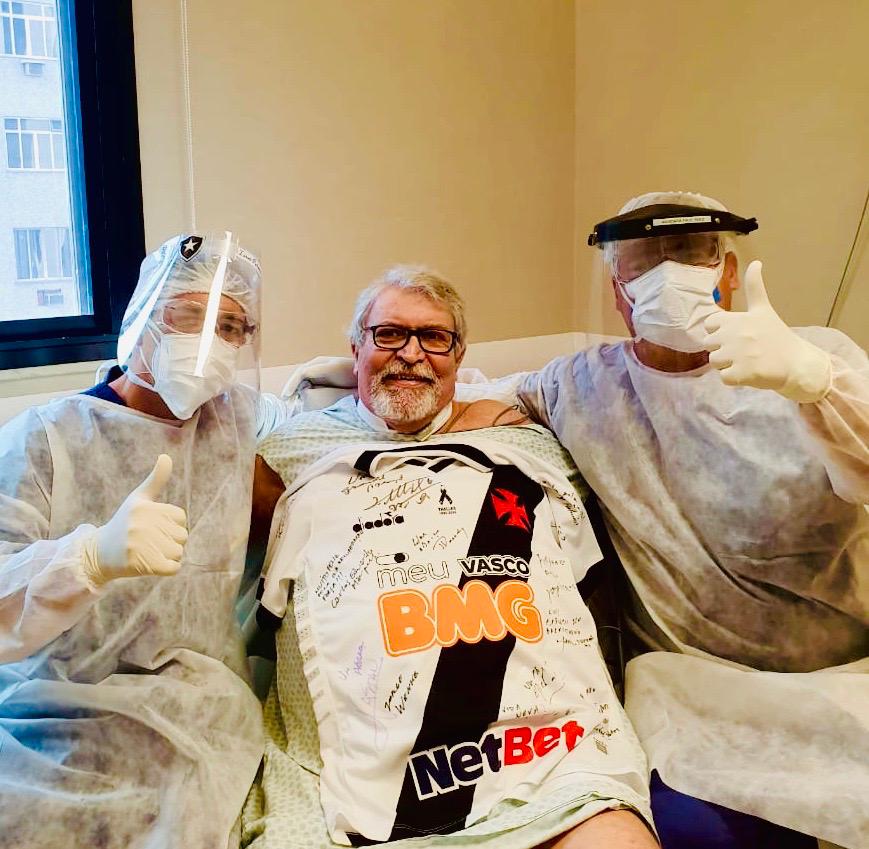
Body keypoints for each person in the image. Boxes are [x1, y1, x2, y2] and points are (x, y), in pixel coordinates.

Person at [242, 266, 658, 849]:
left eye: (434, 338)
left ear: (459, 357)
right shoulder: (291, 447)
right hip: (350, 752)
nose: (411, 354)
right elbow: (220, 536)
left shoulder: (523, 440)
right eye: (389, 334)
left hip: (547, 746)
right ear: (356, 348)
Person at [518, 192, 869, 849]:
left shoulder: (814, 358)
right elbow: (478, 396)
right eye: (642, 261)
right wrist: (349, 379)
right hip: (690, 689)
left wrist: (817, 383)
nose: (667, 274)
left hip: (840, 679)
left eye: (686, 252)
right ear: (618, 293)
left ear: (727, 272)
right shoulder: (580, 387)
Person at [0, 232, 289, 849]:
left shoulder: (237, 420)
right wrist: (87, 558)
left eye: (230, 326)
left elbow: (338, 424)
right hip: (55, 702)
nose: (210, 340)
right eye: (189, 316)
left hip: (198, 701)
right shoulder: (45, 439)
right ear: (143, 319)